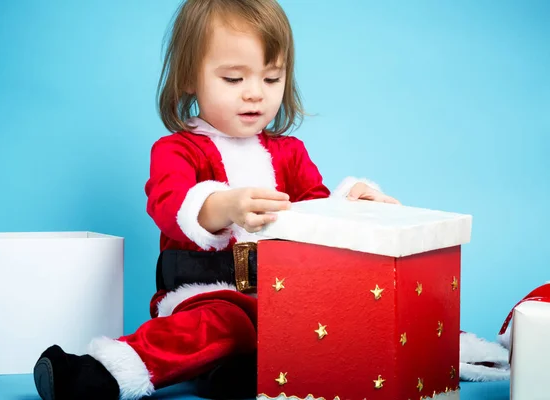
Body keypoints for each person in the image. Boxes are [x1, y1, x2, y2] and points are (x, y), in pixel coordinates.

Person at [32, 1, 399, 399]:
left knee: (336, 318)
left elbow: (317, 213)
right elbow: (169, 205)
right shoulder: (178, 150)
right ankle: (105, 370)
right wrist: (222, 206)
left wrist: (350, 206)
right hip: (203, 293)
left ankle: (237, 369)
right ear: (190, 77)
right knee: (219, 324)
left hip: (280, 296)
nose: (255, 94)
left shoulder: (289, 153)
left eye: (272, 78)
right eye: (233, 79)